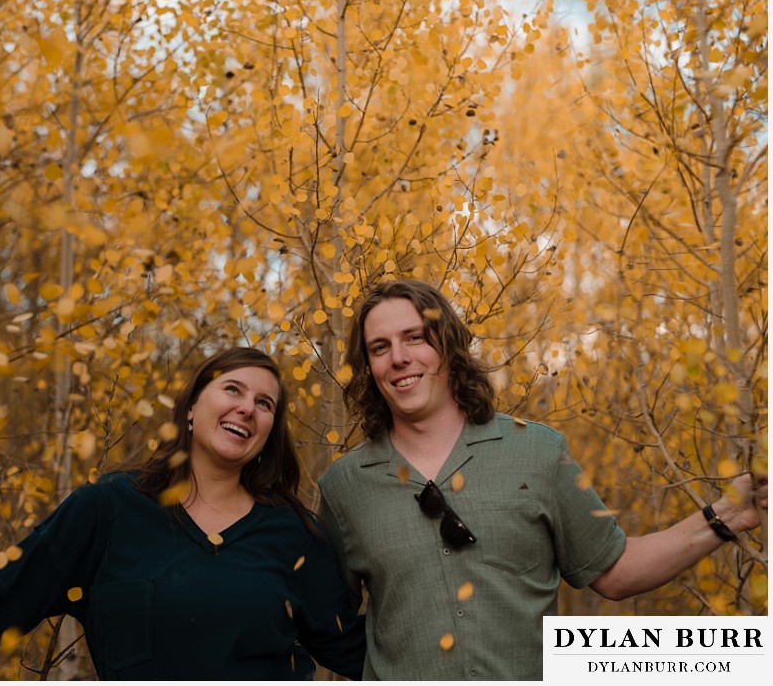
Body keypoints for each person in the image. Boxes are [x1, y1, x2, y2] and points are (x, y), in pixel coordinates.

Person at [317, 279, 767, 681]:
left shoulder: (538, 453)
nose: (399, 358)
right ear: (368, 367)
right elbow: (328, 626)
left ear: (448, 347)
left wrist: (728, 513)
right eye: (380, 347)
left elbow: (614, 570)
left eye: (415, 337)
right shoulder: (344, 487)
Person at [0, 347, 366, 680]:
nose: (248, 407)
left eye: (265, 403)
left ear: (269, 432)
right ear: (194, 408)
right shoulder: (109, 509)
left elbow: (353, 647)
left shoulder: (292, 534)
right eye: (232, 389)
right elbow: (1, 602)